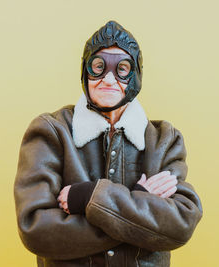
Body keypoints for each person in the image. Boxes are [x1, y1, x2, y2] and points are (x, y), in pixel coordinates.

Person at [14, 20, 203, 267]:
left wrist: (90, 197)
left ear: (135, 75)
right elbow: (37, 229)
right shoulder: (51, 132)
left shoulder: (164, 140)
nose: (109, 79)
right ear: (85, 71)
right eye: (98, 67)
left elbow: (180, 224)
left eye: (122, 68)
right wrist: (139, 202)